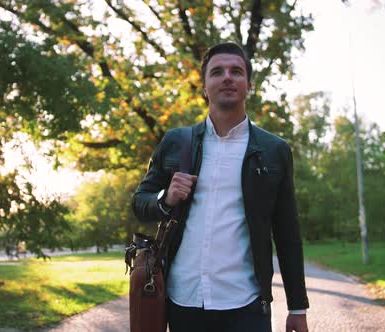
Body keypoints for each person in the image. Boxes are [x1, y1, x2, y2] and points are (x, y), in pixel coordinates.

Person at [132, 42, 309, 332]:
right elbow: (140, 202)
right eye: (217, 72)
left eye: (236, 71)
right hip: (183, 300)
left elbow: (288, 233)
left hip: (248, 305)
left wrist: (297, 308)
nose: (227, 77)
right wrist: (166, 198)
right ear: (204, 86)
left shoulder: (274, 150)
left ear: (249, 85)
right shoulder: (177, 142)